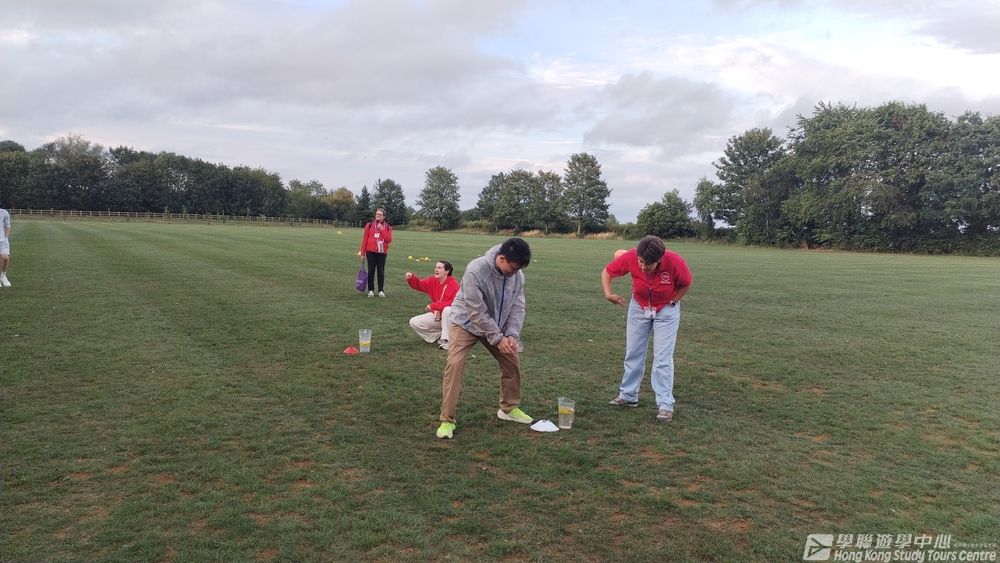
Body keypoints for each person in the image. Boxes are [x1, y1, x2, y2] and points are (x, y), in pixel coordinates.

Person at [435, 238, 533, 439]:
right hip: (465, 323)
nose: (515, 273)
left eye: (518, 270)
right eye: (513, 269)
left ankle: (508, 409)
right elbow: (476, 311)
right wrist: (497, 338)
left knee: (512, 361)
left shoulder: (517, 276)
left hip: (495, 325)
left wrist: (511, 334)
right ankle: (447, 420)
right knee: (454, 365)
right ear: (502, 259)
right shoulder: (475, 270)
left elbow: (518, 307)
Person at [602, 235, 693, 422]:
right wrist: (608, 293)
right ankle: (628, 396)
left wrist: (673, 302)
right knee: (633, 352)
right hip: (639, 306)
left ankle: (665, 405)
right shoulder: (631, 256)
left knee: (662, 358)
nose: (643, 267)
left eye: (648, 264)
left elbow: (686, 283)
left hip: (666, 310)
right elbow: (607, 272)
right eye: (641, 261)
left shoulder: (675, 262)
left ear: (659, 259)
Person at [406, 260, 460, 350]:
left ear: (447, 271)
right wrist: (411, 278)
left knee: (447, 309)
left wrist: (434, 306)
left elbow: (454, 303)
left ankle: (448, 341)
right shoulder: (432, 280)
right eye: (436, 267)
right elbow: (419, 285)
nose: (436, 270)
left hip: (453, 318)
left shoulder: (454, 284)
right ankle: (439, 336)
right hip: (438, 316)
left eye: (439, 268)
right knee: (414, 322)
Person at [358, 208, 393, 297]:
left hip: (382, 252)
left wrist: (382, 229)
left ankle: (381, 290)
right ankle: (371, 290)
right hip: (370, 251)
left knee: (381, 271)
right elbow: (365, 240)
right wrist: (362, 253)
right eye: (377, 214)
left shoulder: (388, 227)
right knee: (371, 271)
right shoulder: (369, 225)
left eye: (380, 215)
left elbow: (388, 240)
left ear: (384, 217)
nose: (378, 216)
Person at [0, 208, 10, 288]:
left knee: (5, 258)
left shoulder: (4, 212)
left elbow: (7, 226)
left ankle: (3, 276)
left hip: (3, 240)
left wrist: (6, 238)